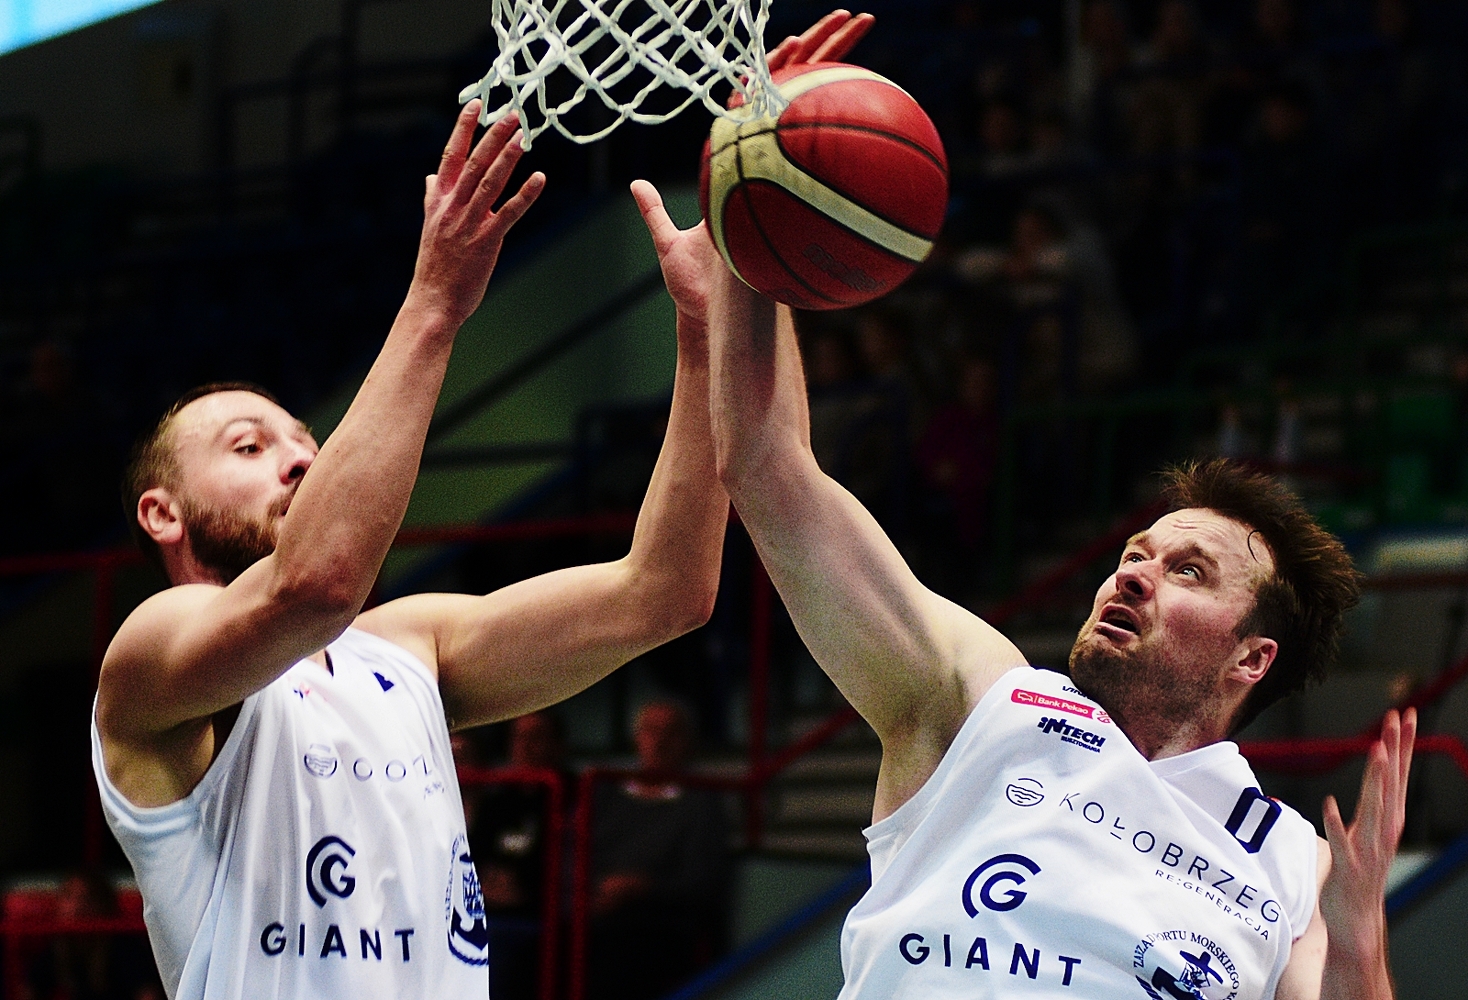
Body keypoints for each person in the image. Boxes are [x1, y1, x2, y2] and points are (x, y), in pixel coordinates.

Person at [689, 13, 1417, 995]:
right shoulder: (976, 699)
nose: (1134, 574)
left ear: (1252, 657)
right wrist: (749, 212)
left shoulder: (1292, 863)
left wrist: (1361, 948)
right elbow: (769, 472)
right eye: (1136, 553)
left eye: (1187, 570)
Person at [89, 101, 734, 1000]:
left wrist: (703, 336)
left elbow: (664, 592)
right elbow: (316, 584)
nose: (301, 460)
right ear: (163, 514)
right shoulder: (151, 653)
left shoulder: (409, 645)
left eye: (306, 442)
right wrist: (434, 304)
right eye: (249, 447)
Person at [587, 701, 731, 1000]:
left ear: (688, 742)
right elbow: (578, 855)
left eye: (671, 733)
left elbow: (701, 881)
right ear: (637, 738)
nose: (660, 741)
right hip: (594, 905)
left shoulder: (702, 804)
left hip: (660, 920)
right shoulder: (606, 795)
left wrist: (638, 887)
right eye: (652, 731)